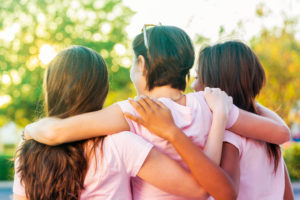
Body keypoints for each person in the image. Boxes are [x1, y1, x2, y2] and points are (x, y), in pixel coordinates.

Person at [23, 26, 290, 199]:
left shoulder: (134, 111)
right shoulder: (210, 103)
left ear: (141, 63)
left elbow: (55, 131)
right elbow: (279, 133)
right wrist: (231, 103)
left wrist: (28, 131)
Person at [13, 46, 238, 200]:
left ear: (49, 88)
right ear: (101, 90)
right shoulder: (120, 144)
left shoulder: (28, 150)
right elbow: (200, 190)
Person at [191, 40, 294, 199]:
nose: (193, 85)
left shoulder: (228, 138)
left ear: (216, 85)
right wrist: (248, 100)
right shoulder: (269, 141)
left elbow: (225, 194)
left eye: (197, 77)